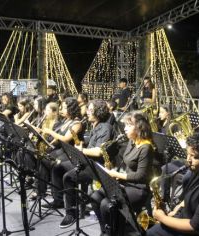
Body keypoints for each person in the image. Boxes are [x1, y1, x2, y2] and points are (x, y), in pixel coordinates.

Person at [50, 99, 114, 228]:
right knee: (58, 167)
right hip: (87, 162)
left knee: (68, 177)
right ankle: (60, 199)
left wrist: (81, 149)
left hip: (97, 167)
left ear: (98, 112)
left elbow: (98, 152)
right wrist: (81, 144)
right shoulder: (95, 125)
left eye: (90, 110)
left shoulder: (106, 127)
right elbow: (91, 146)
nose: (87, 113)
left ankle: (71, 212)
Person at [91, 112, 154, 235]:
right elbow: (127, 164)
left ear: (139, 127)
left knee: (106, 204)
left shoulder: (146, 147)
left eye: (128, 125)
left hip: (138, 188)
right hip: (126, 182)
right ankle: (106, 230)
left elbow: (141, 176)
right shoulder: (132, 141)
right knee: (95, 197)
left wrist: (115, 174)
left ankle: (115, 232)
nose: (124, 128)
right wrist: (113, 169)